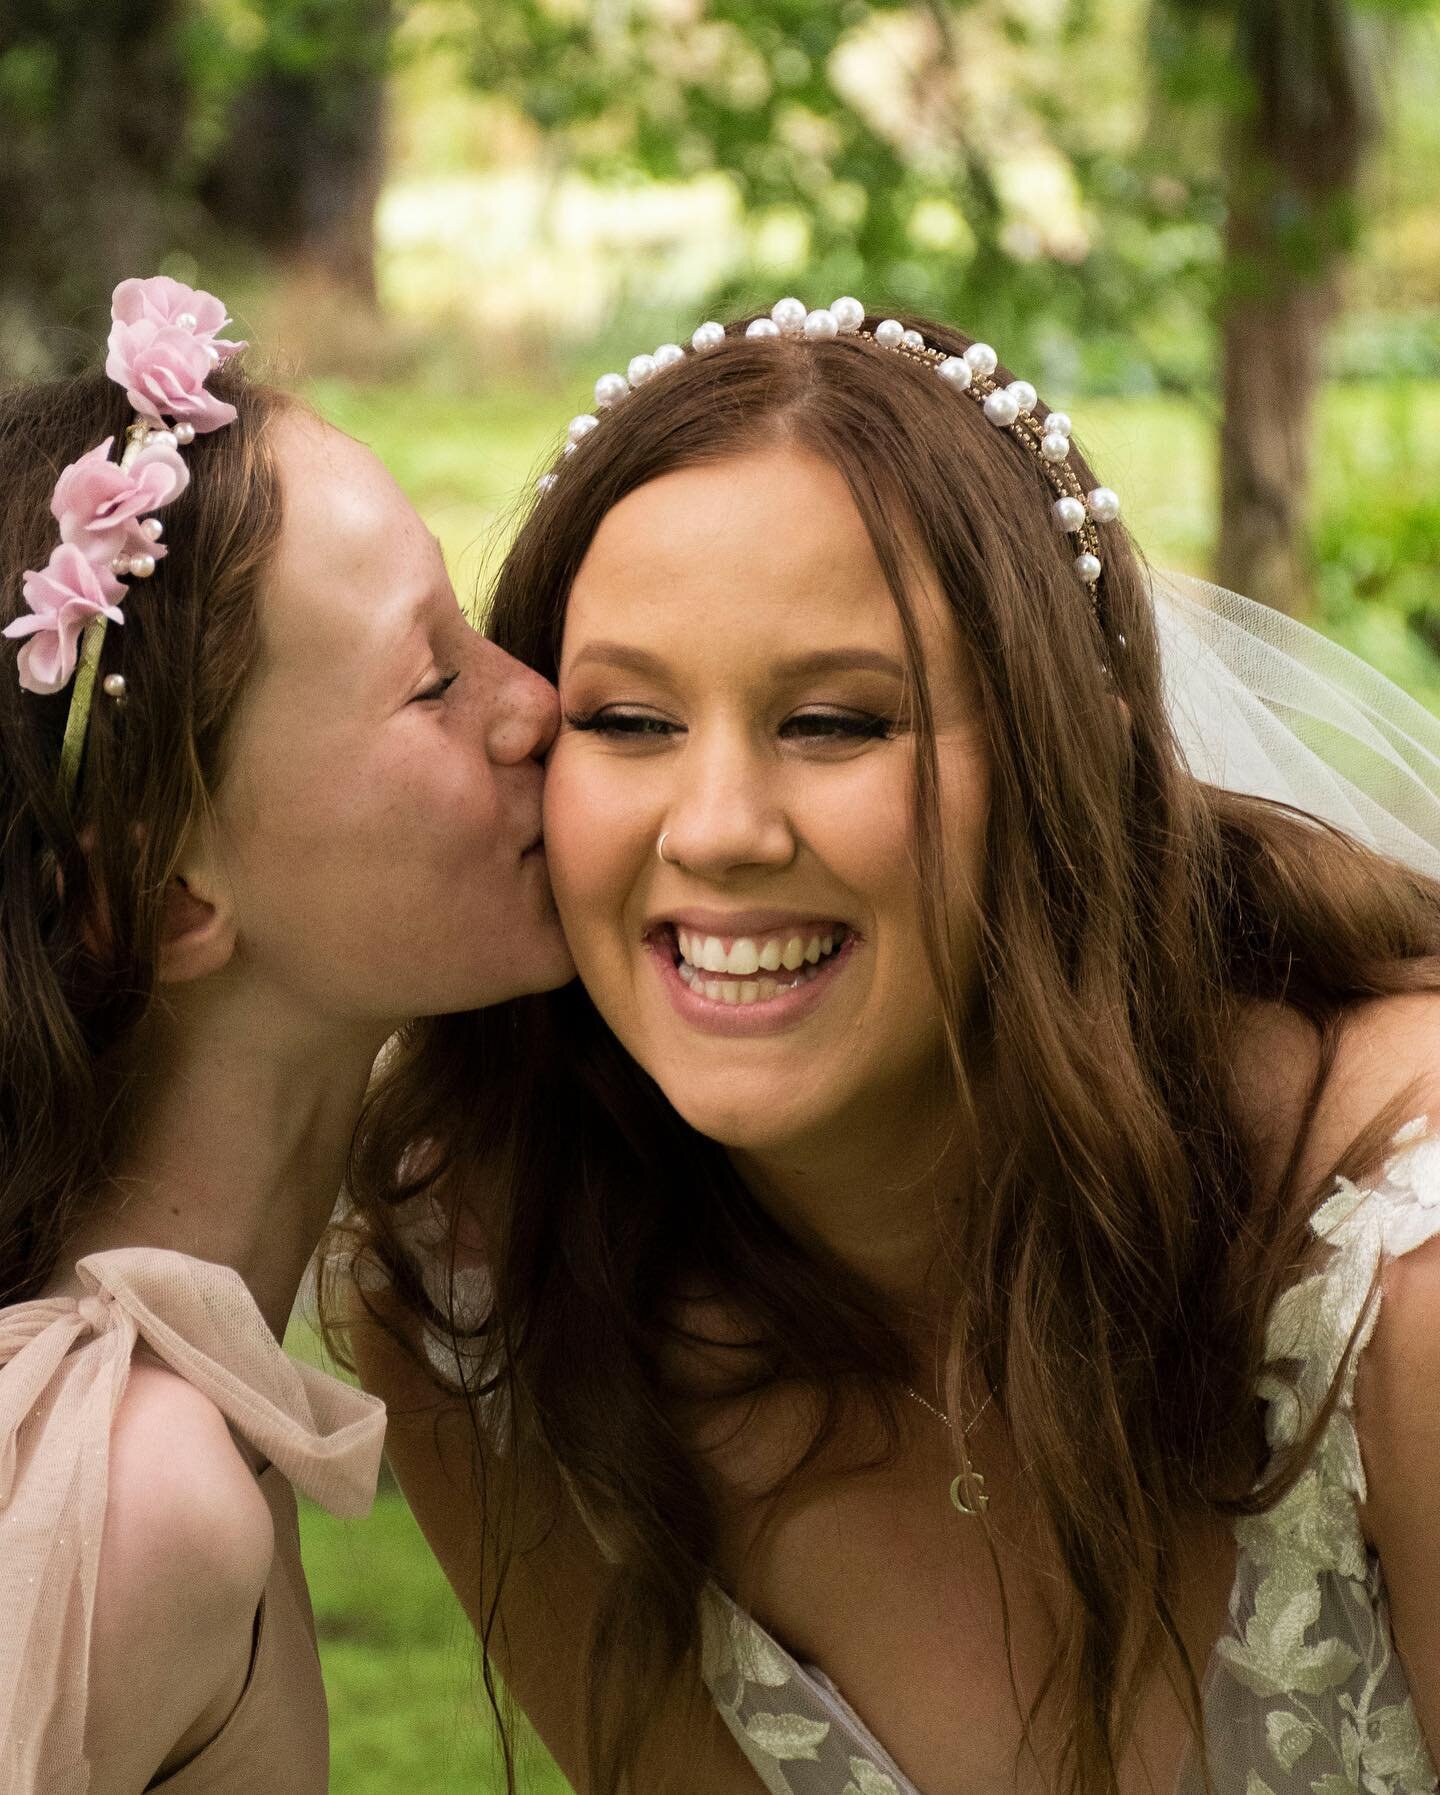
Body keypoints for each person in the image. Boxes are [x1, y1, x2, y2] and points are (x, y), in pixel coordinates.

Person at [344, 300, 1440, 1795]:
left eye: (838, 724)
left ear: (1076, 759)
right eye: (631, 720)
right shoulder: (489, 1298)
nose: (718, 829)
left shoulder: (1403, 1274)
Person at [0, 275, 573, 1795]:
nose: (540, 707)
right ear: (164, 890)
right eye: (435, 679)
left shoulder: (161, 1421)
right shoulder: (133, 1497)